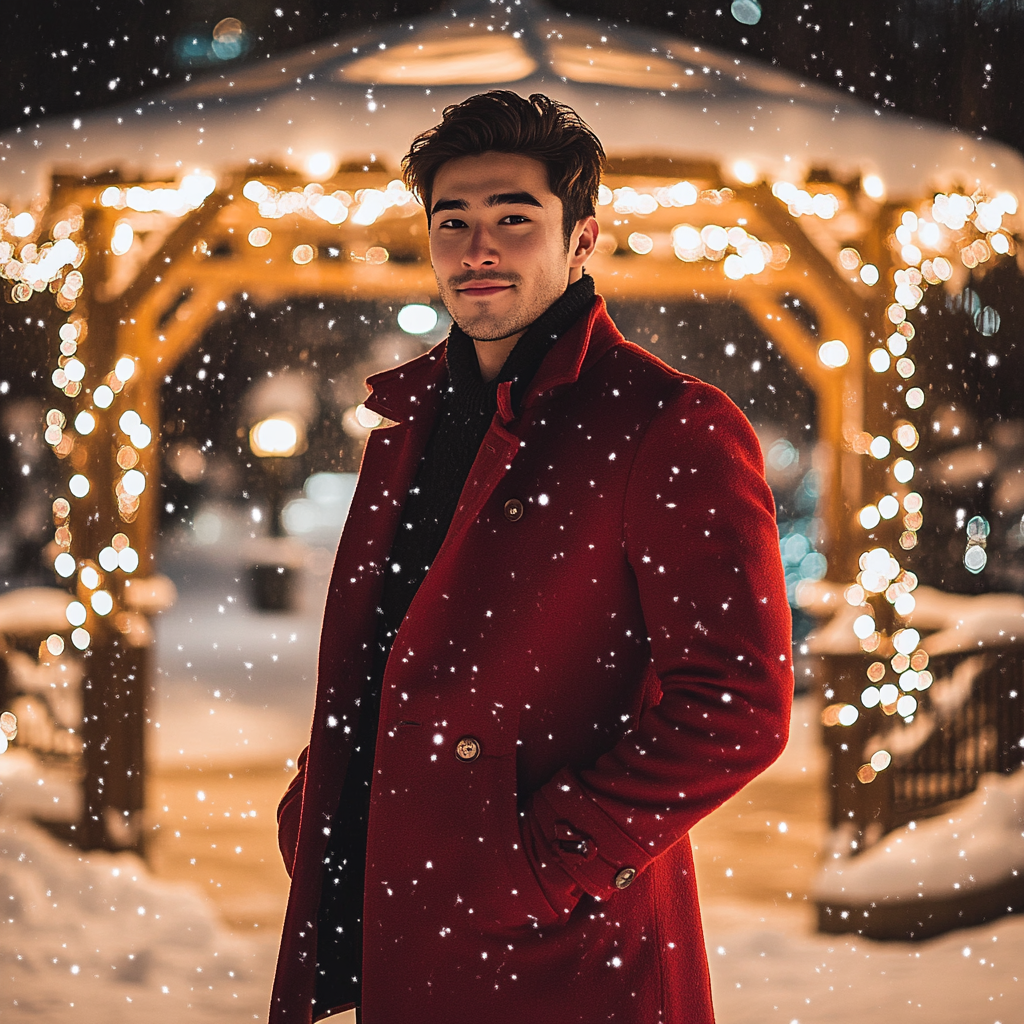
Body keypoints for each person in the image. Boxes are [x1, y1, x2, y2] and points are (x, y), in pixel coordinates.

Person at [271, 90, 792, 1024]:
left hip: (561, 948)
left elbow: (738, 705)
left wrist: (547, 863)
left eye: (515, 218)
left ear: (582, 239)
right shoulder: (410, 418)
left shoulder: (667, 424)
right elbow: (390, 642)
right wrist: (327, 793)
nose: (478, 248)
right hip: (404, 904)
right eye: (453, 221)